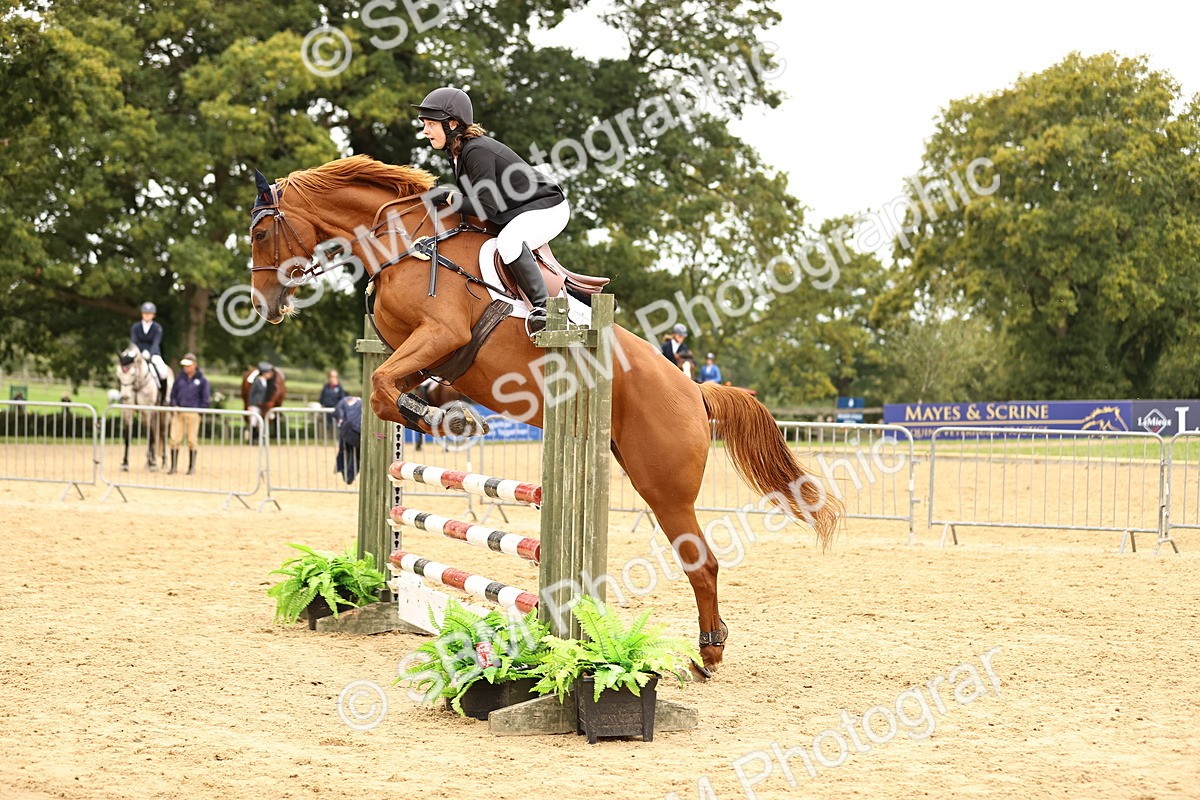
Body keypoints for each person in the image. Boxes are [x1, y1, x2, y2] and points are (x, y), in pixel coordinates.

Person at [413, 86, 568, 339]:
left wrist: (451, 197)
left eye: (430, 124)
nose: (425, 131)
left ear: (452, 124)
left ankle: (545, 311)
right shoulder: (459, 153)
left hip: (548, 207)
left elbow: (485, 207)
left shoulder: (476, 150)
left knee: (509, 242)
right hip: (518, 211)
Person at [168, 353, 210, 475]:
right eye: (184, 366)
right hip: (179, 412)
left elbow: (205, 398)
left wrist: (199, 409)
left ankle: (191, 467)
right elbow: (173, 394)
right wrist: (174, 404)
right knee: (174, 439)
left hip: (193, 412)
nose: (185, 368)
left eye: (188, 365)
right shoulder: (179, 379)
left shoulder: (202, 380)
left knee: (192, 440)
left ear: (194, 365)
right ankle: (173, 467)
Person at [130, 301, 170, 401]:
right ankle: (126, 395)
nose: (147, 315)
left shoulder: (157, 328)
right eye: (145, 313)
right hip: (138, 353)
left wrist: (150, 354)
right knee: (127, 370)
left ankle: (163, 397)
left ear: (153, 315)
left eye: (149, 313)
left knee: (163, 372)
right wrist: (138, 353)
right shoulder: (136, 327)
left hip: (153, 353)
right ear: (142, 314)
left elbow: (156, 343)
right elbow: (134, 341)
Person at [332, 394, 363, 485]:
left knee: (345, 452)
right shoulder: (359, 402)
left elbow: (337, 414)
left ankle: (346, 474)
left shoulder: (343, 402)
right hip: (355, 432)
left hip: (346, 430)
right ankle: (349, 476)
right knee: (356, 455)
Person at [247, 362, 274, 440]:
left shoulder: (266, 382)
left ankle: (258, 437)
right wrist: (250, 405)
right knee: (253, 421)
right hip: (254, 404)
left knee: (260, 422)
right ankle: (251, 438)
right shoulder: (257, 382)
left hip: (262, 405)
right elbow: (251, 393)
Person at [319, 369, 347, 434]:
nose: (333, 378)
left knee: (336, 428)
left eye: (335, 376)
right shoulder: (326, 387)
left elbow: (342, 399)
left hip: (336, 411)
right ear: (329, 377)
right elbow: (322, 398)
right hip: (326, 411)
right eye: (332, 376)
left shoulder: (339, 387)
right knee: (327, 427)